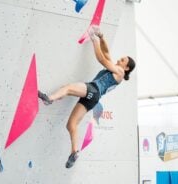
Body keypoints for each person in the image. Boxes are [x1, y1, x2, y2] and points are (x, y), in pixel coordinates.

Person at [38, 26, 136, 169]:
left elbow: (102, 59)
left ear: (126, 68)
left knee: (69, 87)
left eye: (122, 60)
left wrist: (94, 39)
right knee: (71, 124)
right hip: (93, 99)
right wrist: (101, 37)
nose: (119, 60)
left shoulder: (120, 72)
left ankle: (49, 98)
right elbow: (107, 52)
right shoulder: (116, 68)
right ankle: (74, 152)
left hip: (94, 90)